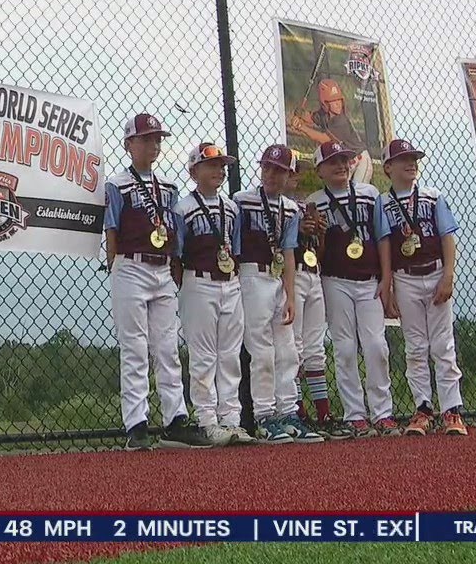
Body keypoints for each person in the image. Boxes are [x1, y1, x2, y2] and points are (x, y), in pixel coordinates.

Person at [104, 115, 211, 451]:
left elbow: (174, 233)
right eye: (146, 139)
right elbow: (111, 228)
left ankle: (175, 418)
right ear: (129, 144)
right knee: (135, 348)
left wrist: (174, 266)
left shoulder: (168, 187)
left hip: (162, 266)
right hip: (131, 265)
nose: (154, 145)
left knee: (167, 347)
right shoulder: (117, 184)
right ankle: (136, 424)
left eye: (157, 139)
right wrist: (114, 265)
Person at [307, 141, 397, 438]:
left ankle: (382, 412)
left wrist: (386, 278)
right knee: (344, 348)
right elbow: (314, 250)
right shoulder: (314, 201)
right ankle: (355, 413)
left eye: (345, 160)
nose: (341, 166)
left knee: (376, 346)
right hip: (335, 280)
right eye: (333, 161)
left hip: (369, 279)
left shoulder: (370, 194)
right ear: (320, 169)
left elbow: (383, 237)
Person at [378, 139, 467, 436]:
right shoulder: (383, 202)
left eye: (414, 158)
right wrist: (387, 287)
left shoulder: (431, 196)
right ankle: (423, 408)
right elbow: (386, 246)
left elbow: (447, 237)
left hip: (436, 272)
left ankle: (452, 410)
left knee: (443, 345)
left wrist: (449, 276)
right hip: (405, 278)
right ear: (388, 167)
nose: (411, 163)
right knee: (415, 346)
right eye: (403, 159)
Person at [235, 145, 323, 444]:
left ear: (289, 175)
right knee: (261, 350)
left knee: (287, 349)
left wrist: (290, 293)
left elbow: (288, 252)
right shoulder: (241, 202)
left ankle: (288, 411)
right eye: (268, 168)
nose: (272, 175)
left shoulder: (290, 208)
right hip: (251, 275)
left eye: (280, 170)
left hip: (277, 278)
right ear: (261, 169)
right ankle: (264, 415)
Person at [173, 142, 252, 447]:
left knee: (230, 354)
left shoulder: (231, 207)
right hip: (198, 280)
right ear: (194, 171)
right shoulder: (183, 208)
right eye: (212, 165)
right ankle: (207, 419)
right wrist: (187, 285)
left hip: (229, 282)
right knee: (204, 355)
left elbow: (236, 248)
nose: (219, 171)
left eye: (222, 166)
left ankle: (232, 419)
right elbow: (176, 255)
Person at [286, 154, 335, 438]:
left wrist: (321, 233)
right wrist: (298, 229)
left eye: (298, 175)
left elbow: (320, 254)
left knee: (315, 348)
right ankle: (297, 409)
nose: (296, 180)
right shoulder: (281, 207)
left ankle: (323, 412)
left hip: (313, 273)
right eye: (292, 174)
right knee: (296, 346)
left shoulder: (309, 206)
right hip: (292, 276)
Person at [289, 79, 374, 185]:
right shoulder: (324, 115)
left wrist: (301, 127)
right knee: (343, 190)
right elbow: (310, 117)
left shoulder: (341, 121)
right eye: (333, 101)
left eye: (339, 100)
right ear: (325, 104)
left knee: (358, 190)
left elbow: (324, 139)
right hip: (348, 162)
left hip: (361, 160)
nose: (338, 104)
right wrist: (299, 114)